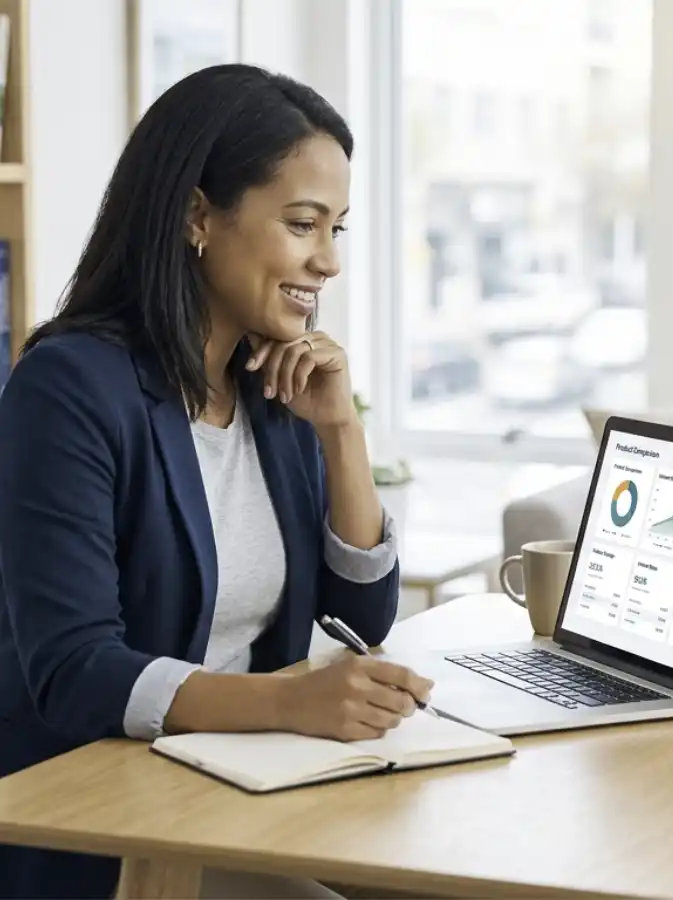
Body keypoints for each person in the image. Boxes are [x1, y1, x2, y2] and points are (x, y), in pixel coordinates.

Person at [0, 64, 433, 900]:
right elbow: (74, 670)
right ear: (199, 215)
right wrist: (288, 703)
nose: (328, 261)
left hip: (242, 794)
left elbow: (358, 619)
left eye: (338, 229)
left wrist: (341, 431)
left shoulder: (271, 388)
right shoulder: (68, 389)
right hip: (103, 827)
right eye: (304, 224)